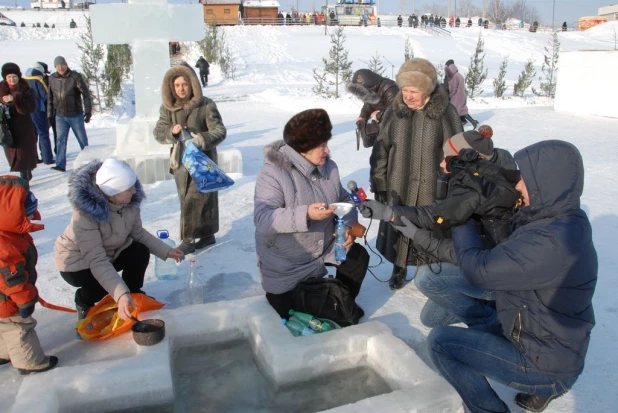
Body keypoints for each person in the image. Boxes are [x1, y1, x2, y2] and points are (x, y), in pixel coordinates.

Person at [428, 140, 598, 413]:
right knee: (439, 282)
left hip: (544, 363)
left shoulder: (549, 242)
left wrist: (461, 216)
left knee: (440, 343)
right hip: (531, 332)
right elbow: (510, 188)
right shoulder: (561, 218)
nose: (519, 186)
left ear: (546, 183)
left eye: (526, 180)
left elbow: (478, 272)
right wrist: (477, 170)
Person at [361, 127, 519, 331]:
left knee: (427, 278)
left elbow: (460, 249)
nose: (441, 163)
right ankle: (492, 305)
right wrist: (389, 213)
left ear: (467, 159)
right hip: (484, 265)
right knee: (432, 318)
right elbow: (437, 214)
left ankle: (496, 324)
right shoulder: (478, 179)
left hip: (497, 275)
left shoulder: (480, 194)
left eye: (447, 158)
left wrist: (420, 237)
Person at [254, 109, 369, 319]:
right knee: (292, 315)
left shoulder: (329, 168)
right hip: (287, 263)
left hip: (323, 249)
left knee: (357, 257)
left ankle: (342, 303)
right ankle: (332, 306)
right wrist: (305, 214)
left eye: (327, 143)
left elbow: (342, 200)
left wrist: (347, 227)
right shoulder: (273, 173)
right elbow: (263, 218)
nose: (327, 150)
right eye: (321, 145)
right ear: (303, 149)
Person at [369, 58, 462, 290]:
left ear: (427, 90)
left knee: (428, 226)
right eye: (405, 90)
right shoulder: (394, 112)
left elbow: (459, 152)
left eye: (414, 91)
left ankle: (428, 271)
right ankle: (399, 267)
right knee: (399, 223)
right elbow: (381, 148)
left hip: (432, 186)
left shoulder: (446, 112)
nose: (408, 96)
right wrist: (379, 181)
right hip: (399, 182)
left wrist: (453, 182)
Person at [55, 159, 185, 320]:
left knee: (139, 250)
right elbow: (97, 260)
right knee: (104, 287)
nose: (134, 192)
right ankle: (84, 299)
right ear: (112, 192)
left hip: (109, 253)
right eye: (128, 189)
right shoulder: (85, 216)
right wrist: (120, 293)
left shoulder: (129, 204)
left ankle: (134, 292)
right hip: (77, 264)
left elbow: (138, 233)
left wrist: (166, 250)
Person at [154, 64, 227, 254]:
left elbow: (219, 131)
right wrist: (171, 131)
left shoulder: (206, 104)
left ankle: (190, 239)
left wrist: (201, 139)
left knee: (200, 198)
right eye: (177, 85)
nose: (181, 89)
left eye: (184, 84)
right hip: (180, 162)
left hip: (202, 160)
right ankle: (206, 235)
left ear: (192, 84)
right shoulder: (168, 108)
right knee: (186, 198)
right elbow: (158, 132)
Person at [0, 176, 59, 374]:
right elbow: (13, 280)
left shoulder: (8, 232)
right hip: (8, 299)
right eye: (26, 215)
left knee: (3, 326)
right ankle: (29, 362)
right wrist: (25, 300)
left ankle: (4, 353)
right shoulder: (5, 244)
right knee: (19, 327)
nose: (31, 217)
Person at [47, 56, 91, 173]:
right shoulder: (52, 79)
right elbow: (50, 98)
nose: (60, 67)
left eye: (62, 65)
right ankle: (60, 164)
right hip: (60, 115)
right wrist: (49, 115)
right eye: (57, 66)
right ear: (55, 67)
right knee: (60, 140)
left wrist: (88, 111)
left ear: (66, 65)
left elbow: (86, 94)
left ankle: (89, 162)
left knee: (82, 140)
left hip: (75, 115)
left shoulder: (75, 76)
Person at [1, 63, 38, 182]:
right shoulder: (1, 89)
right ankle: (26, 171)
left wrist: (15, 99)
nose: (12, 79)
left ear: (18, 77)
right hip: (7, 127)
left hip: (23, 127)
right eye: (9, 77)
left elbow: (31, 108)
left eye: (14, 76)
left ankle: (25, 177)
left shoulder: (26, 90)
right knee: (12, 152)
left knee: (23, 154)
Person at [347, 68, 399, 133]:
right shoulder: (372, 91)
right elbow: (368, 106)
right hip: (384, 126)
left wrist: (378, 115)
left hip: (396, 130)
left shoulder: (390, 89)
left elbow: (396, 112)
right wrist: (362, 117)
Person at [23, 62, 54, 165]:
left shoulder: (23, 80)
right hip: (38, 110)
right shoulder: (38, 80)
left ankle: (34, 158)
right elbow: (45, 95)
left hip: (26, 111)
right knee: (43, 134)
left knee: (32, 136)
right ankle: (47, 158)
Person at [445, 60, 478, 129]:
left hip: (456, 97)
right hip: (462, 95)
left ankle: (456, 124)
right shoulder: (459, 75)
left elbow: (453, 88)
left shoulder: (454, 77)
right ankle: (472, 121)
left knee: (453, 110)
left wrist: (450, 95)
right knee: (462, 110)